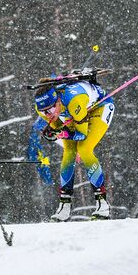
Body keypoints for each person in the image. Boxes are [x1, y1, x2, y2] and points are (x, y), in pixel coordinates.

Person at [34, 77, 115, 221]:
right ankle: (64, 206)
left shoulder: (73, 100)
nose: (49, 114)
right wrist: (55, 132)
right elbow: (57, 126)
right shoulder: (43, 109)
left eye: (52, 109)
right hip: (75, 114)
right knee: (68, 152)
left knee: (84, 149)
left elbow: (81, 135)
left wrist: (62, 133)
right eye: (44, 112)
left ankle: (102, 204)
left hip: (99, 107)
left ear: (58, 100)